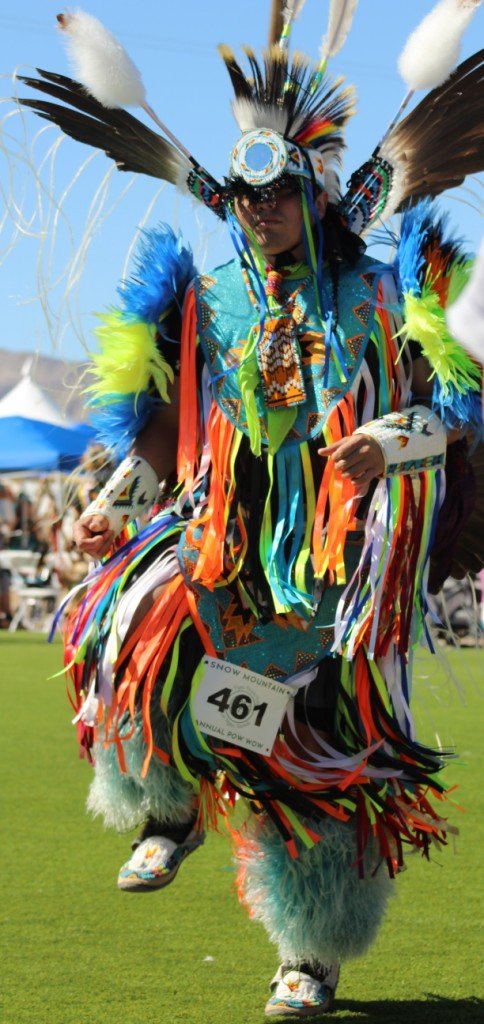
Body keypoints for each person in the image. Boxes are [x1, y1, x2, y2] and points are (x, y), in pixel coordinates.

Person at [20, 7, 483, 1020]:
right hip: (223, 542)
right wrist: (117, 504)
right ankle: (171, 809)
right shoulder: (211, 300)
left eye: (277, 193)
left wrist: (383, 443)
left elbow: (455, 411)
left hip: (337, 568)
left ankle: (308, 956)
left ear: (313, 195)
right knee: (137, 630)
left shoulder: (380, 292)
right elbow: (176, 420)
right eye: (244, 194)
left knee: (309, 758)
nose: (259, 208)